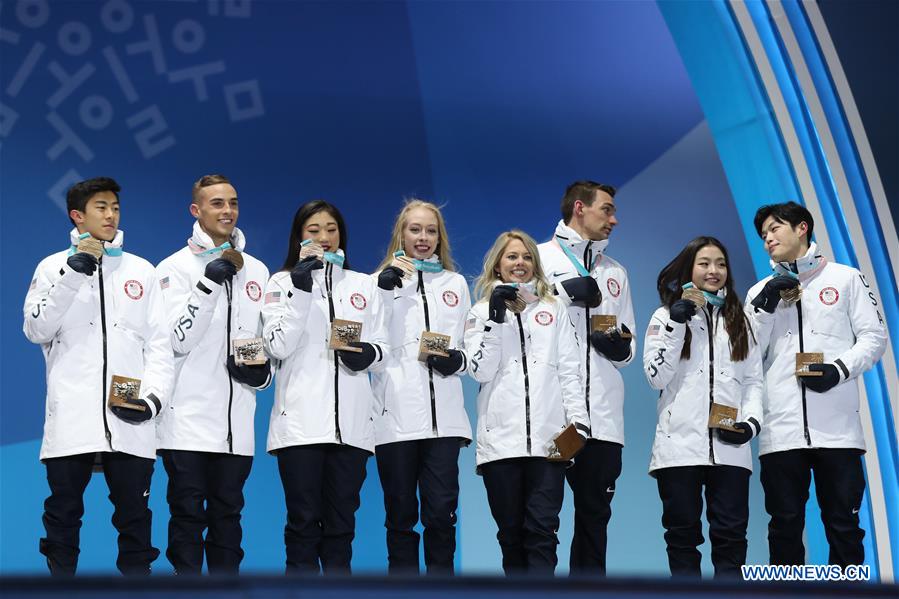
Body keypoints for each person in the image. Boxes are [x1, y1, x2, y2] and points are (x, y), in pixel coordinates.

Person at [23, 176, 173, 576]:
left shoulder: (141, 270)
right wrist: (71, 276)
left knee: (136, 521)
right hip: (72, 417)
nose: (111, 215)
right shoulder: (51, 267)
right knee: (63, 518)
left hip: (129, 418)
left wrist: (153, 401)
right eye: (101, 207)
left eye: (115, 207)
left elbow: (159, 346)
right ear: (77, 215)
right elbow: (35, 329)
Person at [745, 202, 886, 567]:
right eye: (763, 235)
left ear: (802, 227)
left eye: (775, 229)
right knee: (784, 527)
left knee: (844, 526)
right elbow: (745, 355)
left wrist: (838, 369)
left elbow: (874, 337)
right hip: (781, 430)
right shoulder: (760, 291)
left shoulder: (846, 278)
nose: (768, 240)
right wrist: (762, 308)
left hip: (837, 431)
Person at [263, 200, 389, 575]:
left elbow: (383, 350)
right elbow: (277, 346)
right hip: (300, 428)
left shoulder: (362, 284)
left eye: (331, 229)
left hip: (351, 429)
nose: (323, 237)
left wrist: (368, 354)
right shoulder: (280, 283)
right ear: (299, 236)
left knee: (341, 528)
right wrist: (301, 291)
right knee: (302, 524)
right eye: (314, 230)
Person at [155, 174, 271, 575]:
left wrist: (261, 375)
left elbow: (262, 343)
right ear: (196, 210)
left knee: (228, 521)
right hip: (185, 421)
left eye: (233, 203)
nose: (227, 211)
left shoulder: (256, 270)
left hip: (237, 423)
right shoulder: (172, 268)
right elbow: (177, 340)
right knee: (186, 520)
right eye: (217, 203)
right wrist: (209, 282)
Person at [464, 230, 589, 576]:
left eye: (526, 257)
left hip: (550, 446)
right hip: (500, 446)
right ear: (498, 265)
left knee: (543, 534)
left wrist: (579, 426)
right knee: (511, 537)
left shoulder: (553, 309)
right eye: (512, 257)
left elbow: (569, 371)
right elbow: (480, 370)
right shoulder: (478, 312)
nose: (520, 263)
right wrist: (494, 316)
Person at [643, 236, 763, 577]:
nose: (714, 271)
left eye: (721, 264)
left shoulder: (742, 318)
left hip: (730, 448)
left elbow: (754, 380)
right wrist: (676, 324)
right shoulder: (664, 315)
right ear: (688, 269)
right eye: (705, 263)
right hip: (679, 448)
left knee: (731, 539)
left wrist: (751, 424)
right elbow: (655, 376)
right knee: (682, 538)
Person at [537, 180, 635, 575]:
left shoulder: (617, 272)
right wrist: (561, 291)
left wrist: (617, 346)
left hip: (604, 421)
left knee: (595, 520)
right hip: (554, 419)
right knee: (542, 520)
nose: (614, 219)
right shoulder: (539, 258)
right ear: (580, 207)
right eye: (607, 210)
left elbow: (629, 347)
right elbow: (517, 317)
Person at [370, 200, 472, 575]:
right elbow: (368, 344)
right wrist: (385, 292)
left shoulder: (455, 284)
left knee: (442, 517)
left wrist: (457, 360)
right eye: (415, 229)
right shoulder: (377, 281)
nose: (423, 238)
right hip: (394, 420)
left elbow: (469, 345)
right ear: (401, 234)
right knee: (399, 519)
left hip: (444, 422)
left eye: (431, 230)